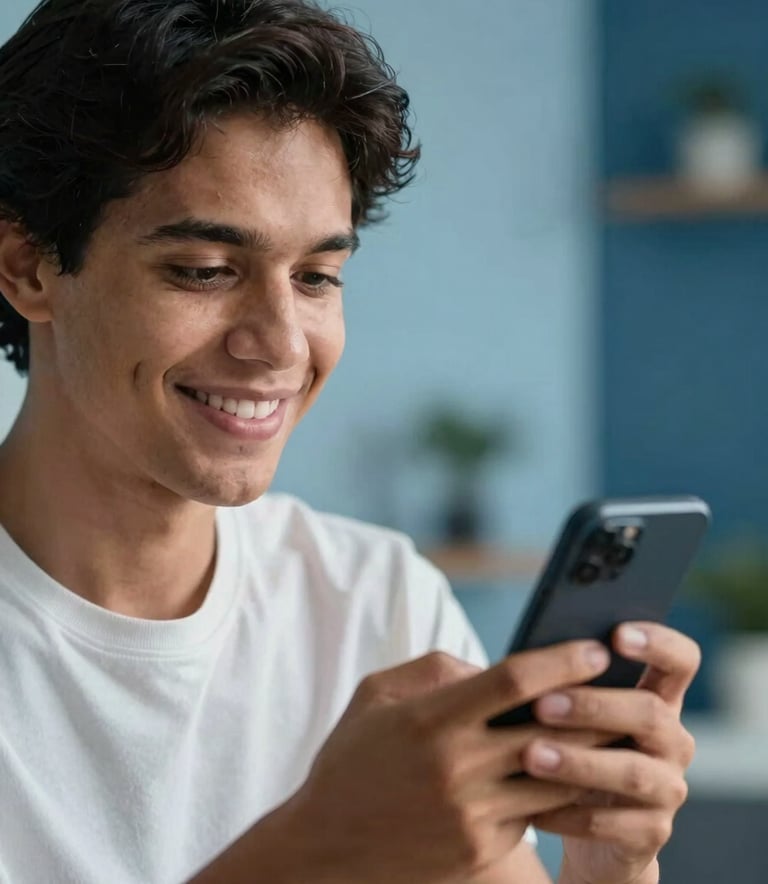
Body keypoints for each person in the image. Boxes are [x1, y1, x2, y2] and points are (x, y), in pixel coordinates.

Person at [0, 1, 700, 882]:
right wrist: (319, 848)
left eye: (317, 277)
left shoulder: (379, 605)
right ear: (27, 267)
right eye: (204, 271)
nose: (283, 344)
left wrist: (611, 866)